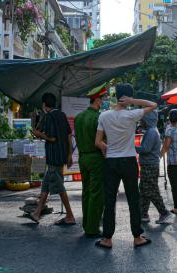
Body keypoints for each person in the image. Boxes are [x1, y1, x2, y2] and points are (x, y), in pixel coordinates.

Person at [94, 84, 157, 250]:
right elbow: (153, 105)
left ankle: (107, 239)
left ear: (116, 96)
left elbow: (98, 142)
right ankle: (137, 237)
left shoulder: (104, 116)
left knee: (110, 200)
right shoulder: (132, 114)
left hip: (111, 162)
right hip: (128, 161)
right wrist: (133, 101)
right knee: (133, 199)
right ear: (128, 97)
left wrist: (106, 150)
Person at [27, 93, 76, 225]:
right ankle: (37, 213)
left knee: (59, 187)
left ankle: (70, 215)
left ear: (44, 104)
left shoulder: (49, 117)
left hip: (54, 156)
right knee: (46, 185)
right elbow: (69, 134)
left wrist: (39, 134)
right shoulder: (62, 114)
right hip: (61, 155)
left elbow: (52, 138)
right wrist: (69, 154)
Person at [75, 84, 107, 238]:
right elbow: (102, 141)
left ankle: (87, 223)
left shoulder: (79, 117)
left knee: (86, 191)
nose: (103, 102)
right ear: (98, 100)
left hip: (82, 157)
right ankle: (92, 228)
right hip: (96, 158)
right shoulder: (98, 117)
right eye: (103, 99)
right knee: (96, 193)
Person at [136, 110, 172, 224]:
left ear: (148, 119)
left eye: (143, 118)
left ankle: (164, 212)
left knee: (150, 190)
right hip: (149, 164)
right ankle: (144, 214)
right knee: (144, 189)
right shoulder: (151, 130)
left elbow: (145, 149)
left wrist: (132, 147)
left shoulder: (151, 132)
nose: (141, 120)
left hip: (149, 165)